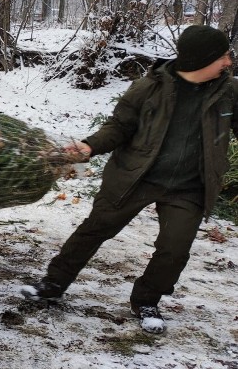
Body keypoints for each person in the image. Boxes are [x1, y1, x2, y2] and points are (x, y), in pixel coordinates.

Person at [21, 25, 237, 334]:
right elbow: (119, 127)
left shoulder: (229, 92)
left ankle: (147, 300)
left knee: (175, 248)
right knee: (95, 230)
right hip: (136, 176)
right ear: (201, 59)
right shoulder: (148, 88)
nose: (228, 62)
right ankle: (53, 283)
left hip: (190, 186)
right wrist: (89, 146)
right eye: (223, 57)